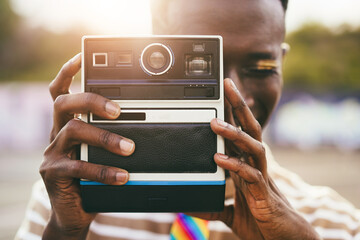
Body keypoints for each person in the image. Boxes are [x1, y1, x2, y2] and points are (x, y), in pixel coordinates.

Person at [16, 0, 360, 239]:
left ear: (282, 63)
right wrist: (64, 232)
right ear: (154, 51)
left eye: (261, 68)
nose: (234, 93)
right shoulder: (70, 199)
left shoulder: (336, 224)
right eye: (203, 64)